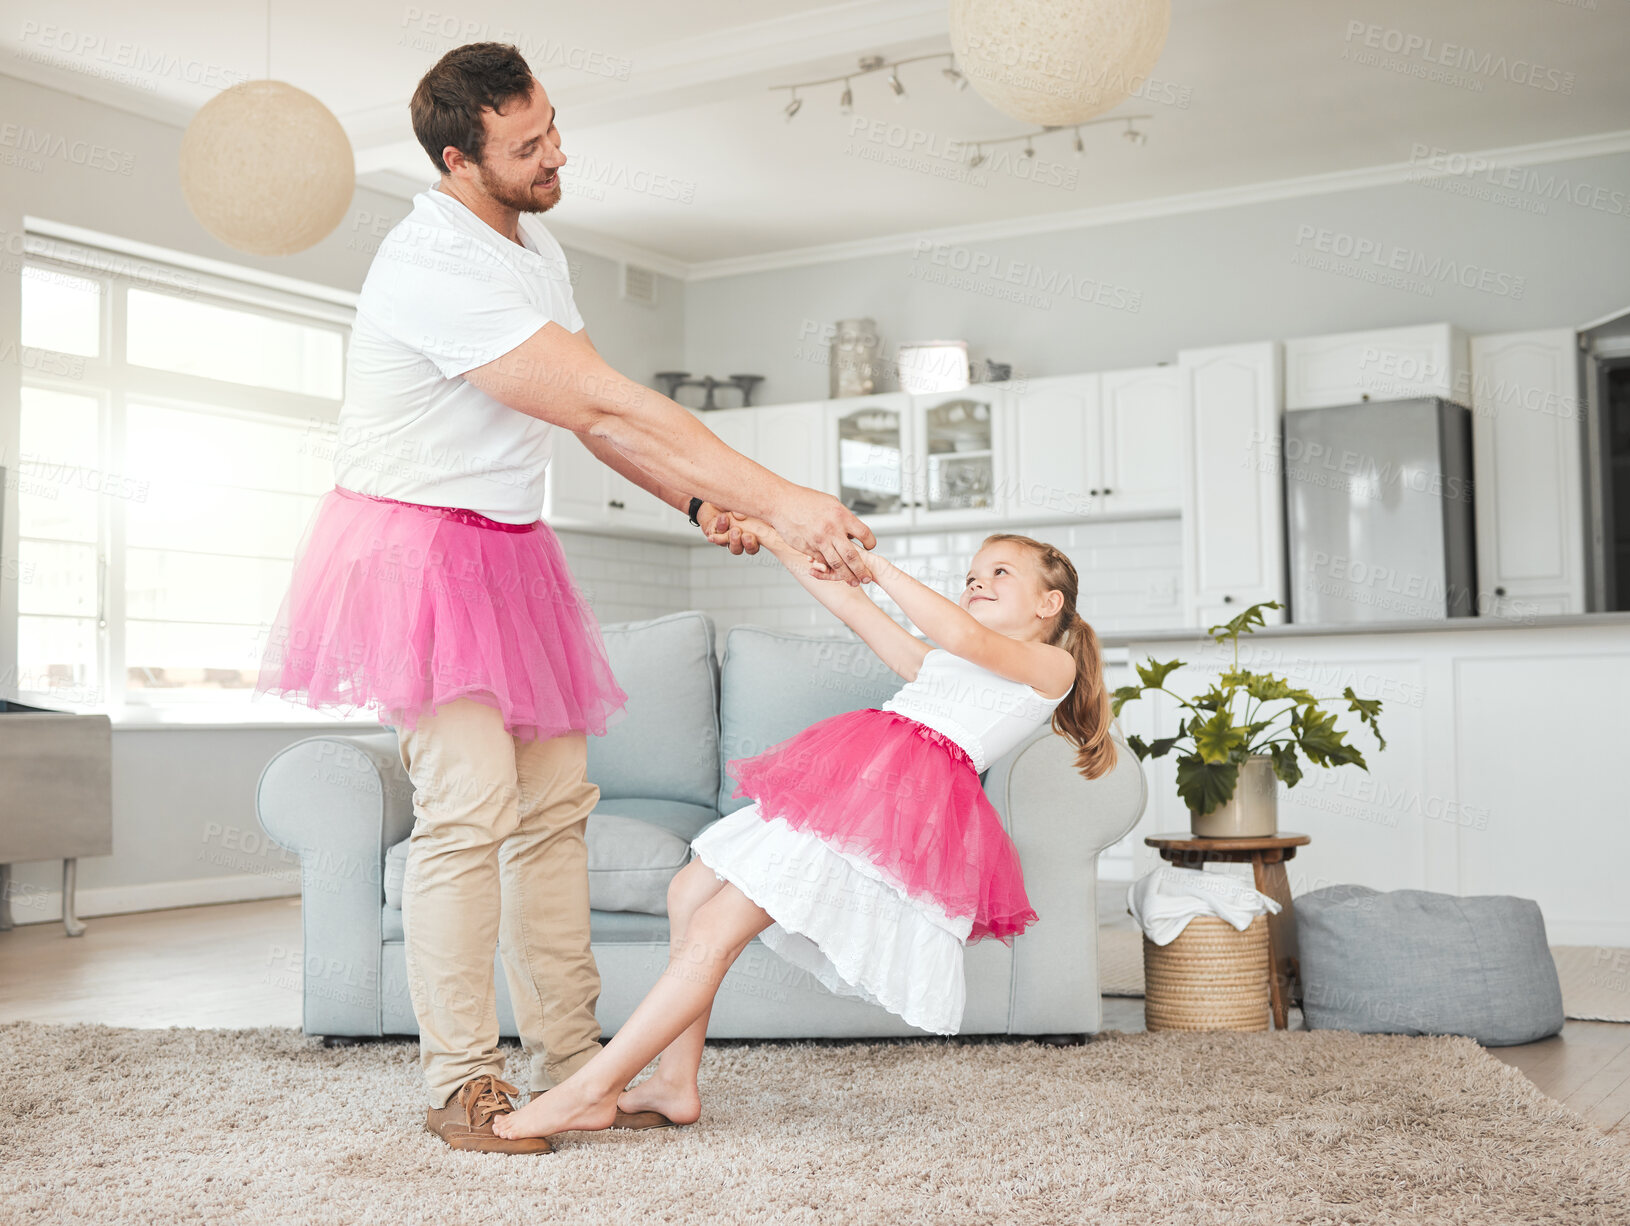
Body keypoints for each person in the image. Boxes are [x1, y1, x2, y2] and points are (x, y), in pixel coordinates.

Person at [253, 42, 871, 1156]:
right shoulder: (428, 261)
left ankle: (573, 1060)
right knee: (468, 811)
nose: (556, 155)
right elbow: (607, 394)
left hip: (508, 551)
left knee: (552, 814)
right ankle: (460, 1083)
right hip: (414, 551)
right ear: (459, 157)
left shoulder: (535, 244)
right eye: (527, 145)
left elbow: (595, 420)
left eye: (552, 128)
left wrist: (696, 504)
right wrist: (781, 500)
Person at [492, 527, 1119, 1142]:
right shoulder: (948, 664)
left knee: (714, 928)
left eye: (999, 572)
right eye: (972, 576)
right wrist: (773, 532)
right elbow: (852, 605)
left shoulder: (1050, 664)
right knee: (688, 893)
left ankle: (590, 1091)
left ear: (1048, 603)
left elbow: (961, 630)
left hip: (889, 801)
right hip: (853, 781)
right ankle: (674, 1084)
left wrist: (879, 569)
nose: (978, 580)